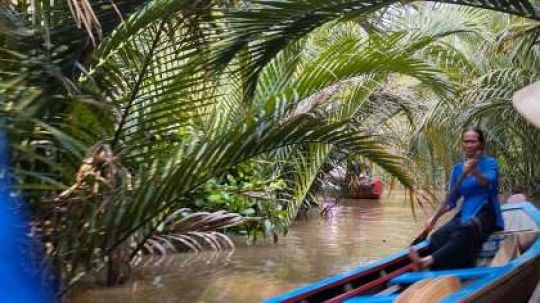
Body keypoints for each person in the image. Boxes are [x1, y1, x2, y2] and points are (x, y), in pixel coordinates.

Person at [409, 127, 504, 270]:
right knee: (438, 237)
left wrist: (475, 171)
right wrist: (433, 218)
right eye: (466, 142)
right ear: (462, 145)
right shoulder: (458, 169)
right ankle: (433, 263)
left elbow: (487, 182)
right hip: (465, 213)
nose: (469, 145)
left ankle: (427, 262)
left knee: (466, 231)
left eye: (473, 141)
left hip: (487, 212)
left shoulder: (490, 163)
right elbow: (451, 201)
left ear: (481, 144)